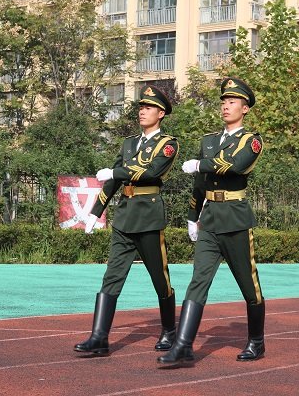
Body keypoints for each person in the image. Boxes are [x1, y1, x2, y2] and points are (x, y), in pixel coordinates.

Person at [158, 77, 265, 365]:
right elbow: (200, 185)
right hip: (210, 220)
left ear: (245, 108)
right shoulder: (208, 141)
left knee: (248, 285)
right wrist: (193, 217)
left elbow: (235, 166)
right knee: (198, 281)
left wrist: (200, 164)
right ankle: (183, 345)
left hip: (235, 219)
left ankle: (256, 341)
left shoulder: (251, 141)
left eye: (232, 102)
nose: (226, 106)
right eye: (224, 102)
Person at [74, 85, 179, 356]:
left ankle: (169, 331)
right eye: (140, 107)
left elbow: (151, 172)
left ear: (161, 113)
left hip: (148, 217)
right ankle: (99, 337)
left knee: (160, 279)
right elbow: (114, 181)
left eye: (148, 108)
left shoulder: (167, 144)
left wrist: (116, 170)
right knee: (111, 277)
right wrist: (96, 211)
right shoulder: (129, 143)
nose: (142, 112)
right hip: (124, 217)